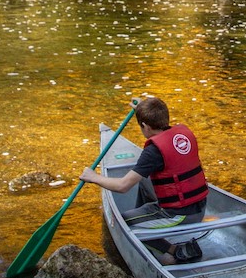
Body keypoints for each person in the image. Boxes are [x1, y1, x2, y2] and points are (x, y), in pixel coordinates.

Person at [78, 95, 207, 261]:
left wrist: (93, 177)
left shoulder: (153, 152)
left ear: (145, 126)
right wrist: (141, 109)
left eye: (142, 126)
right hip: (200, 206)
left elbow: (123, 186)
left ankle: (174, 250)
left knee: (123, 222)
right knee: (144, 179)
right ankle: (145, 219)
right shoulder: (182, 134)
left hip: (179, 216)